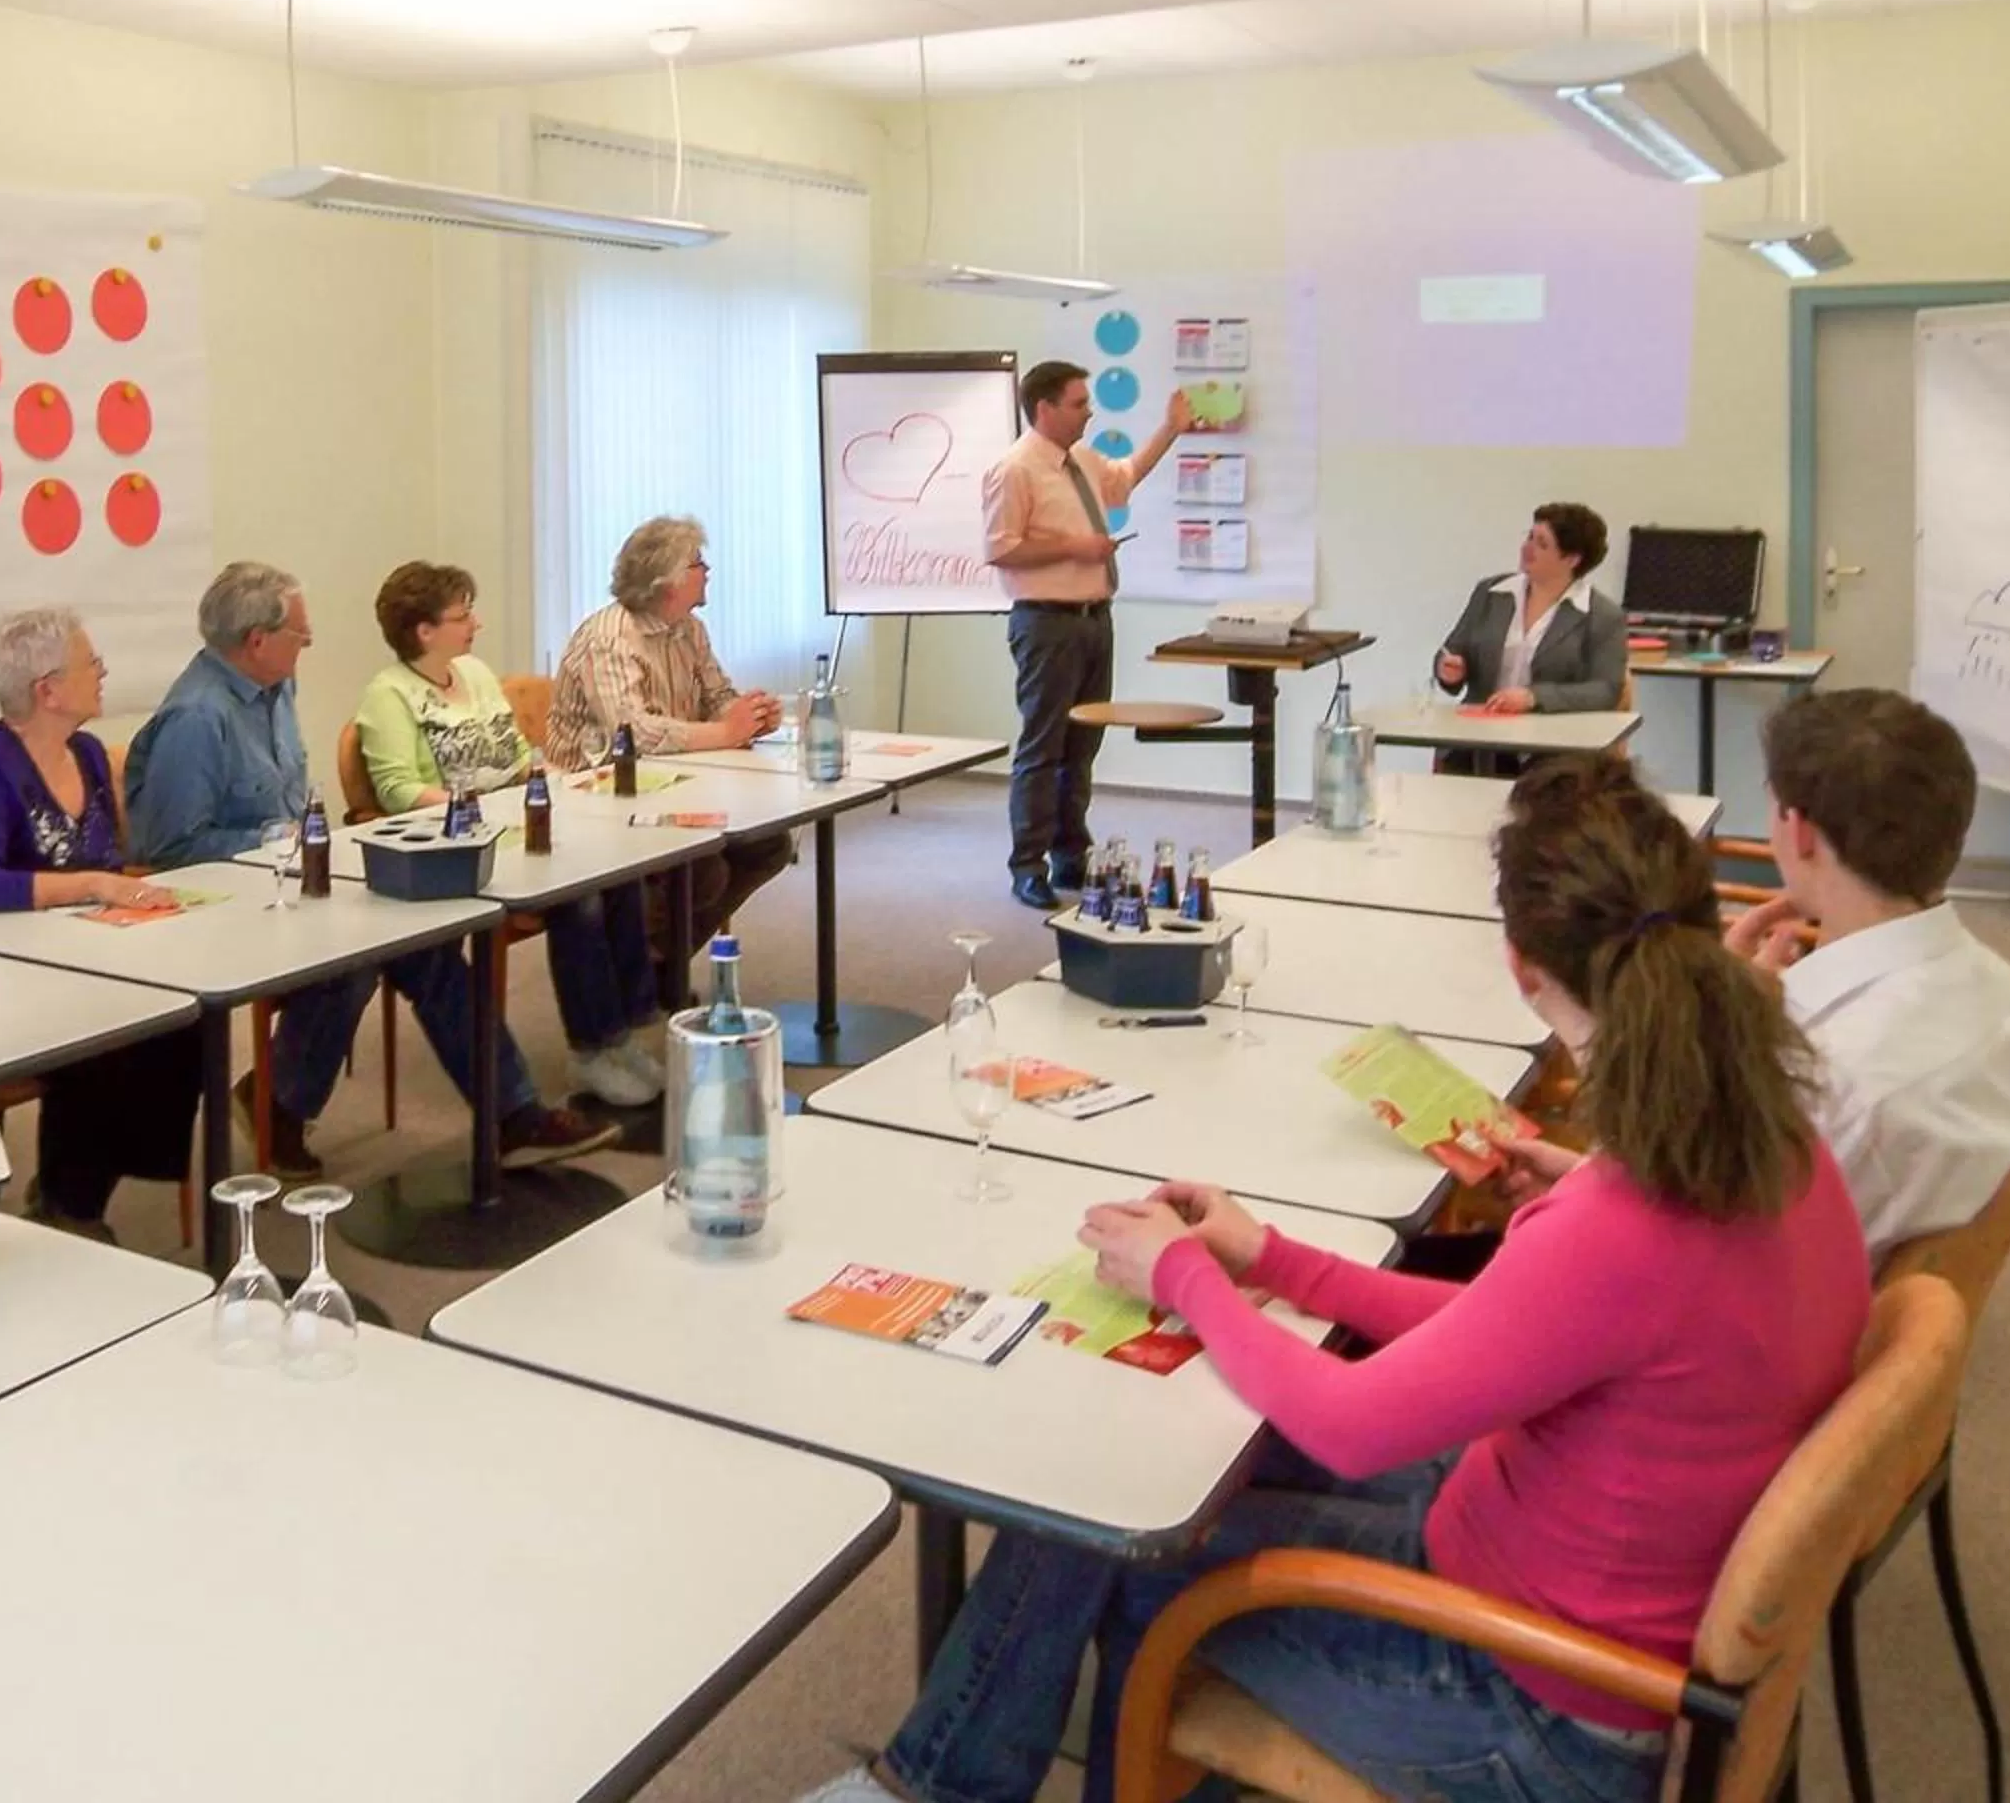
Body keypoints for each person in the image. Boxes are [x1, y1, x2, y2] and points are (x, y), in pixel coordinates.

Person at [800, 755, 1869, 1803]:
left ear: (1524, 970)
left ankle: (937, 1783)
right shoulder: (1772, 1142)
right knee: (1166, 1468)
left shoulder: (1619, 1224)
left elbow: (1354, 1423)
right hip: (1561, 1575)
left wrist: (1185, 1276)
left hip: (1536, 1701)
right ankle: (940, 1781)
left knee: (1125, 1533)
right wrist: (1272, 1261)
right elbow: (1508, 1325)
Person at [126, 561, 616, 1178]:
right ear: (257, 642)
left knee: (426, 949)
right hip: (224, 904)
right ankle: (282, 1101)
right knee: (356, 960)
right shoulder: (198, 719)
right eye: (300, 636)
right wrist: (278, 837)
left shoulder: (274, 688)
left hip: (289, 881)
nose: (308, 645)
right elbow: (173, 852)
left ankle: (508, 1114)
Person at [1723, 689, 2010, 1261]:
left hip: (1788, 1317)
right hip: (1891, 1297)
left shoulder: (1810, 1076)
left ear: (1799, 830)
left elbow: (1705, 1239)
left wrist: (1712, 1031)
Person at [356, 561, 664, 1109]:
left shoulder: (472, 673)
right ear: (424, 631)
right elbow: (397, 791)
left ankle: (620, 1034)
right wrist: (475, 808)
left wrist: (549, 783)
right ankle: (591, 1050)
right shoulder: (390, 695)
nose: (476, 623)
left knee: (621, 871)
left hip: (516, 823)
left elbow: (516, 756)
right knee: (581, 899)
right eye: (463, 614)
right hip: (457, 843)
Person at [0, 607, 189, 1239]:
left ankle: (87, 1183)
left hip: (95, 949)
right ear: (46, 690)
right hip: (13, 966)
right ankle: (68, 1200)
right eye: (89, 663)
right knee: (100, 1030)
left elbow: (113, 859)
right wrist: (89, 886)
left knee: (185, 1013)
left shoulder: (83, 751)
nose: (102, 673)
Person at [980, 364, 1194, 909]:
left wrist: (1169, 430)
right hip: (1047, 621)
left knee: (1083, 744)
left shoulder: (1082, 460)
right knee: (1043, 746)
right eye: (1079, 403)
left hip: (1095, 618)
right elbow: (1001, 549)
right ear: (1045, 408)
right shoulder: (1014, 469)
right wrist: (1075, 548)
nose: (1089, 411)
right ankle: (1027, 865)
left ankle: (1070, 851)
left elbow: (1125, 476)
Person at [543, 515, 794, 972]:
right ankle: (643, 969)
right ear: (667, 581)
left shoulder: (689, 629)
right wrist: (723, 733)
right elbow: (632, 733)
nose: (707, 571)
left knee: (769, 844)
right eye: (698, 562)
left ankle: (660, 964)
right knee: (704, 869)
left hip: (674, 783)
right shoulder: (610, 638)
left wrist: (749, 717)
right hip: (595, 795)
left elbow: (717, 696)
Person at [1433, 501, 1628, 716]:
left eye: (1542, 544)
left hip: (1552, 739)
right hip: (1480, 732)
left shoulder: (1603, 616)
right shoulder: (1490, 593)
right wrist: (1450, 670)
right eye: (1529, 537)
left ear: (1572, 560)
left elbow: (1605, 691)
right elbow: (1452, 650)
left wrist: (1533, 697)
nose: (1527, 548)